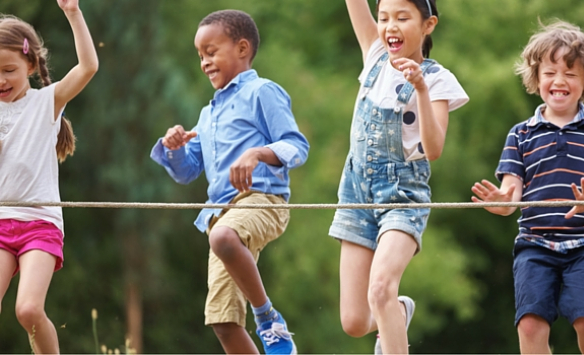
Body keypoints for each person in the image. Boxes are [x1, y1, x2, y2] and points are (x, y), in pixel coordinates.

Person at [150, 9, 308, 355]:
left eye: (211, 51)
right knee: (223, 322)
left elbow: (297, 146)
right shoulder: (208, 114)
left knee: (223, 237)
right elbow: (187, 171)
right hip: (220, 214)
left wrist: (257, 154)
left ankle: (267, 318)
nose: (204, 62)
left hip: (263, 202)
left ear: (241, 48)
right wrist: (174, 149)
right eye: (200, 55)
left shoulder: (263, 92)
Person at [471, 20, 584, 354]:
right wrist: (500, 201)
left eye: (571, 74)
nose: (559, 81)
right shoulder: (520, 134)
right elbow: (510, 198)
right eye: (550, 73)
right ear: (536, 78)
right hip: (534, 244)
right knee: (530, 323)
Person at [329, 0, 469, 353]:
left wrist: (420, 88)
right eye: (384, 18)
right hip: (357, 195)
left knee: (380, 289)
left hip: (402, 197)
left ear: (428, 25)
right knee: (355, 321)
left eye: (402, 18)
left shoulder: (438, 80)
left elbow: (433, 148)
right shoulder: (374, 56)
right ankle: (398, 312)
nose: (390, 26)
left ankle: (391, 314)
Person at [0, 0, 98, 353]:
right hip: (0, 221)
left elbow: (88, 67)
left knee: (28, 309)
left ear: (29, 64)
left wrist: (73, 12)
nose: (1, 80)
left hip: (39, 223)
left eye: (9, 69)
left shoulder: (47, 102)